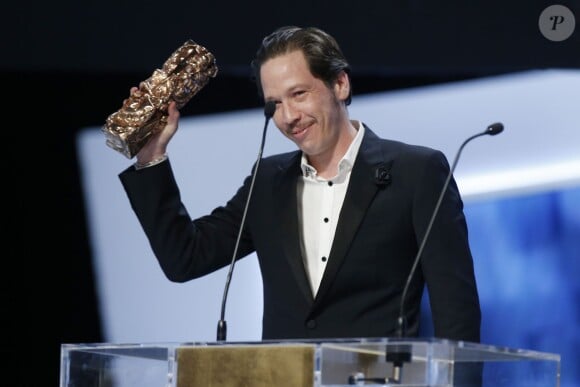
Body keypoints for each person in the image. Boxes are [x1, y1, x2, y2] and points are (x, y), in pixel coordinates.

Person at [119, 26, 481, 343]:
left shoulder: (416, 172)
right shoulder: (268, 182)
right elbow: (186, 259)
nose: (289, 117)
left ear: (340, 84)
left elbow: (457, 312)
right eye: (274, 104)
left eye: (299, 94)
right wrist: (152, 156)